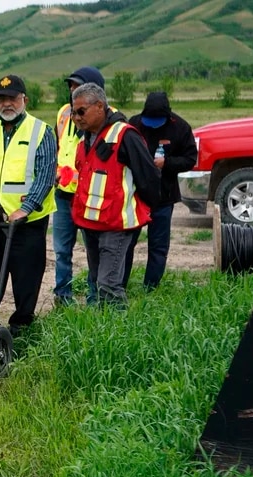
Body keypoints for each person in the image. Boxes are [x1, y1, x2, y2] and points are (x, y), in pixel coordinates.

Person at [0, 74, 57, 334]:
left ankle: (21, 330)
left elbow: (46, 174)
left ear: (24, 100)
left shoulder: (41, 131)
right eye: (1, 99)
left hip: (26, 224)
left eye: (12, 98)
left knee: (26, 280)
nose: (7, 104)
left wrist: (26, 209)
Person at [70, 83, 161, 307]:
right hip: (90, 224)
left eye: (81, 111)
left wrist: (145, 211)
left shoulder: (125, 135)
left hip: (116, 226)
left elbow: (149, 178)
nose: (76, 117)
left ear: (99, 106)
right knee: (96, 281)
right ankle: (102, 330)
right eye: (73, 112)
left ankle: (119, 335)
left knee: (109, 285)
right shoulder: (85, 139)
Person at [123, 91, 198, 290]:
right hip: (135, 197)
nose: (153, 124)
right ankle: (119, 284)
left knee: (158, 246)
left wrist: (168, 163)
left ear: (168, 115)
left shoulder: (180, 127)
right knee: (126, 243)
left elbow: (191, 159)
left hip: (163, 198)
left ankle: (150, 287)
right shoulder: (134, 124)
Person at [53, 66, 107, 307]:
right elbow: (58, 145)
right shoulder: (64, 113)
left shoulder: (106, 117)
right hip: (64, 194)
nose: (72, 90)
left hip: (91, 196)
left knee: (94, 252)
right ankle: (63, 298)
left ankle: (95, 298)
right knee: (62, 250)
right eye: (71, 86)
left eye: (78, 86)